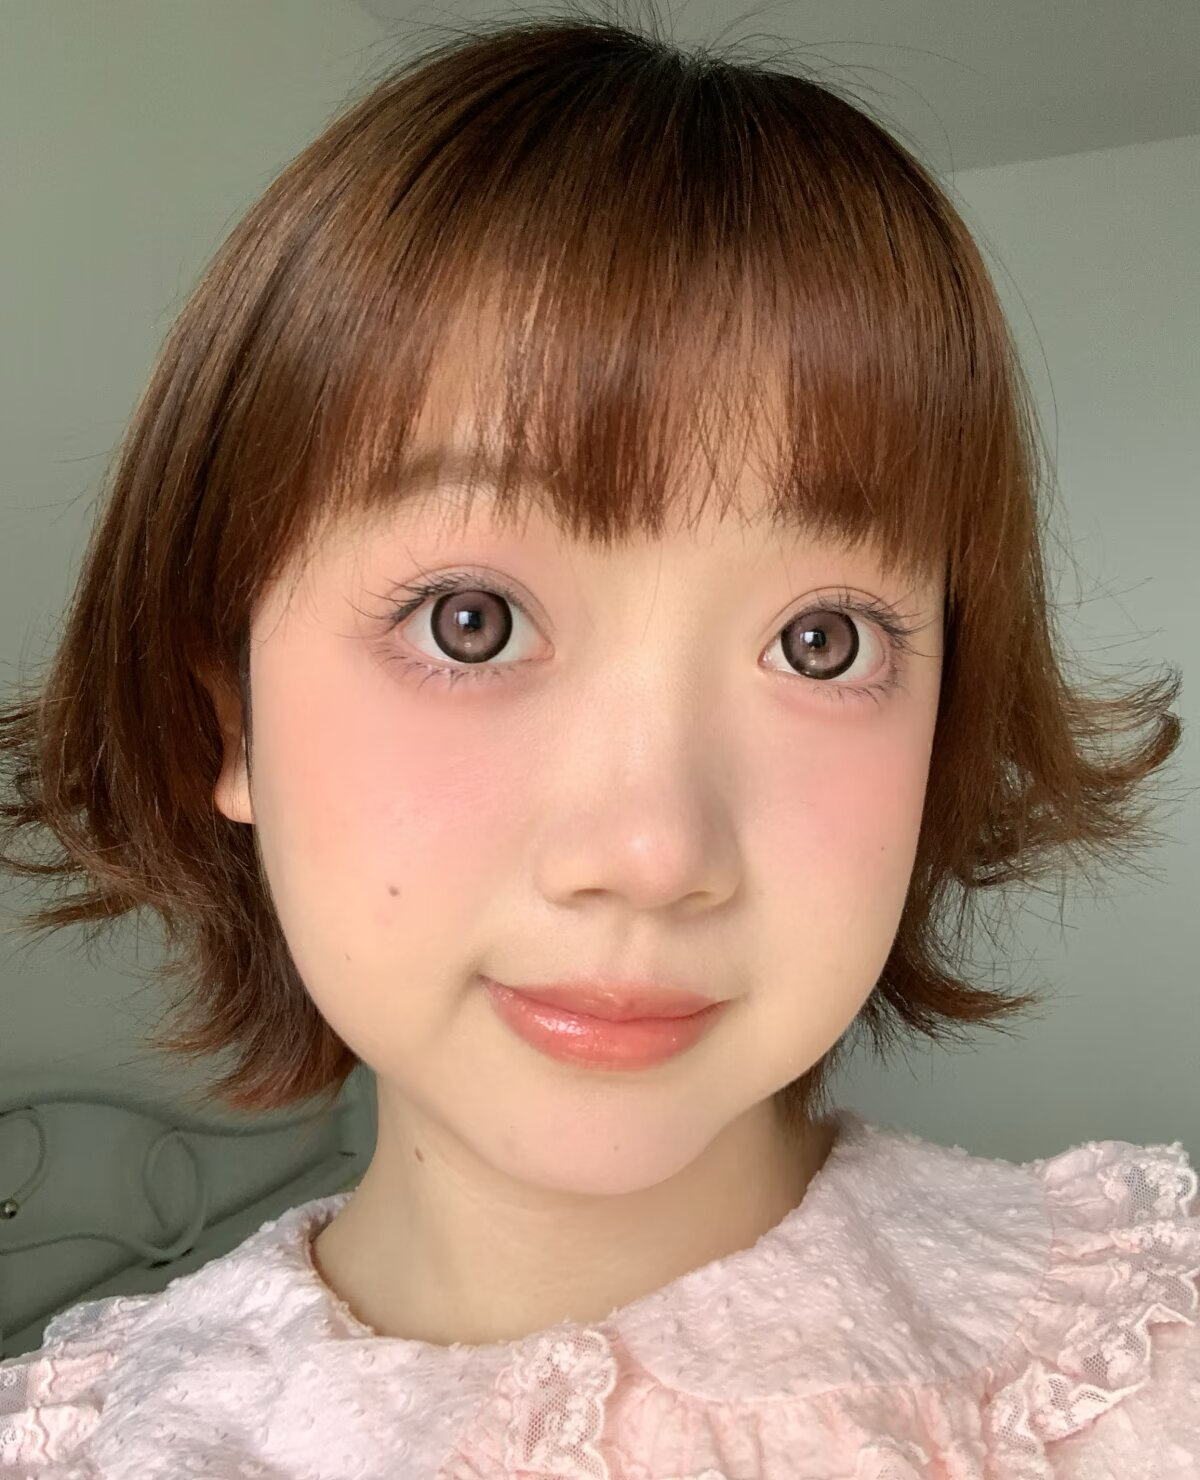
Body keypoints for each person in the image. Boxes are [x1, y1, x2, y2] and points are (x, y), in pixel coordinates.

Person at [1, 7, 1196, 1476]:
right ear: (229, 716)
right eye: (473, 623)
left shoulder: (1144, 1364)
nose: (652, 851)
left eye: (821, 641)